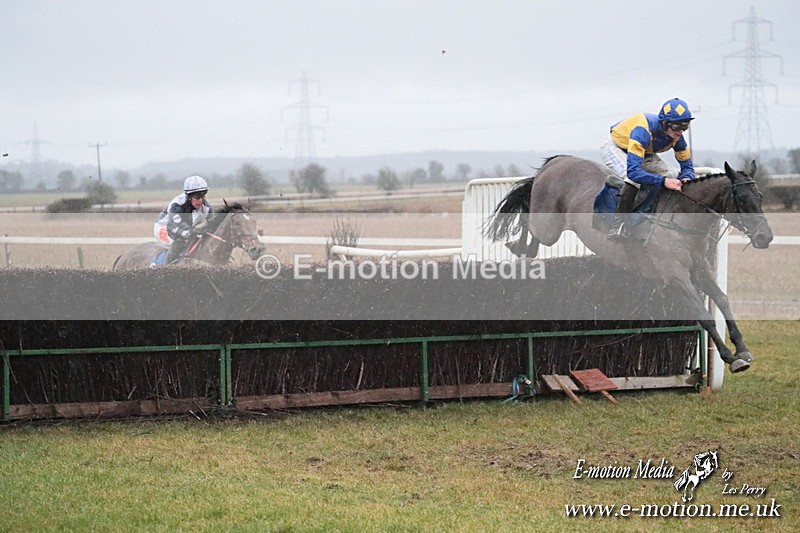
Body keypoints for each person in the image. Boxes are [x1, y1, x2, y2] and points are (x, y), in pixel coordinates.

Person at [601, 97, 697, 240]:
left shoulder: (678, 138)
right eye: (677, 126)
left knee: (672, 174)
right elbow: (634, 172)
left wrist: (686, 177)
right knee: (633, 180)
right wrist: (664, 181)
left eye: (685, 126)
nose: (681, 131)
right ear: (664, 123)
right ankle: (618, 223)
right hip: (616, 148)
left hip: (643, 152)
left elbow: (687, 167)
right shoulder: (643, 131)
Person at [153, 175, 213, 263]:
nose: (200, 200)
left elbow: (213, 222)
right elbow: (174, 227)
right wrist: (193, 231)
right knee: (182, 239)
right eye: (197, 197)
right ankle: (166, 268)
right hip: (165, 228)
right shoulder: (177, 205)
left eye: (203, 196)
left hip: (187, 227)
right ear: (189, 196)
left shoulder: (206, 206)